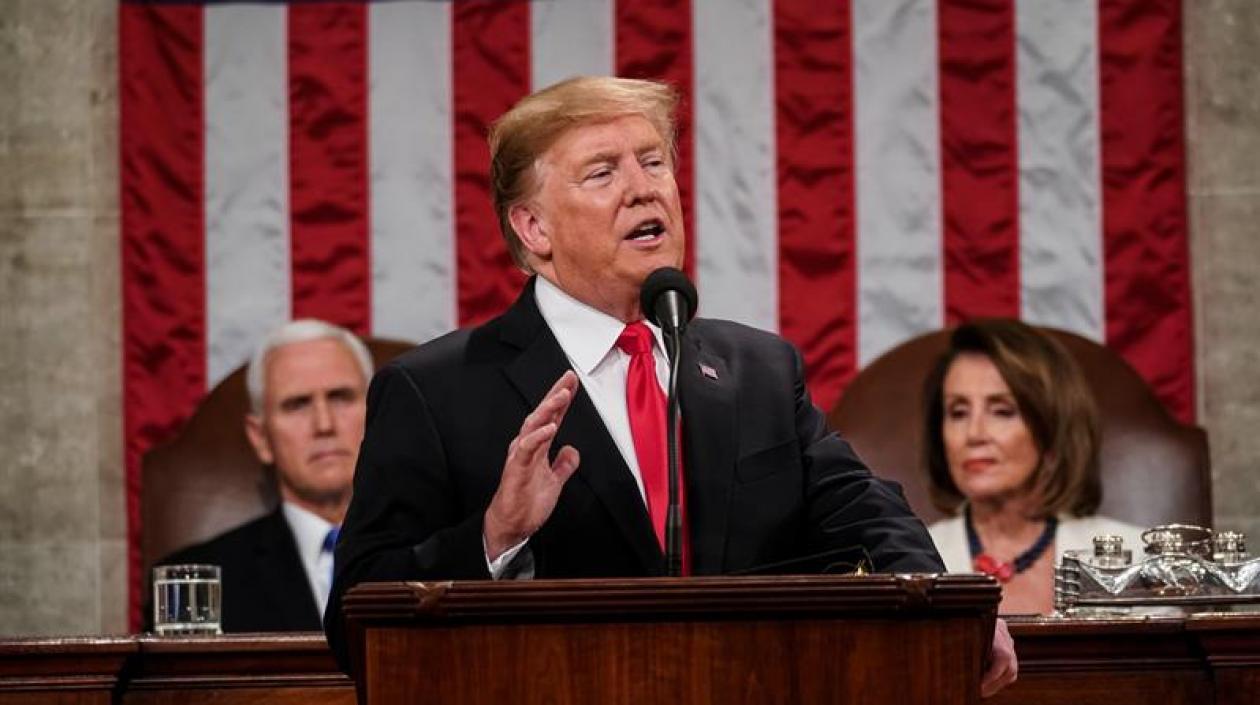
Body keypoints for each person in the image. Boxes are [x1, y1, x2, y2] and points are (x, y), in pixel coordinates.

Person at [325, 76, 1015, 695]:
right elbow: (355, 617)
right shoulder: (436, 391)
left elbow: (869, 517)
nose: (644, 187)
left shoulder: (759, 371)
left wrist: (960, 615)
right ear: (533, 227)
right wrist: (492, 536)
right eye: (601, 173)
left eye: (653, 162)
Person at [156, 319, 371, 632]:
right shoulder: (200, 585)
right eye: (297, 405)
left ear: (377, 414)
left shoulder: (439, 558)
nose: (324, 424)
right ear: (261, 438)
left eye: (341, 397)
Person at [922, 318, 1146, 614]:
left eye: (1002, 411)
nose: (974, 434)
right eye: (958, 412)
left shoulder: (1140, 562)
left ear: (1052, 427)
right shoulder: (908, 567)